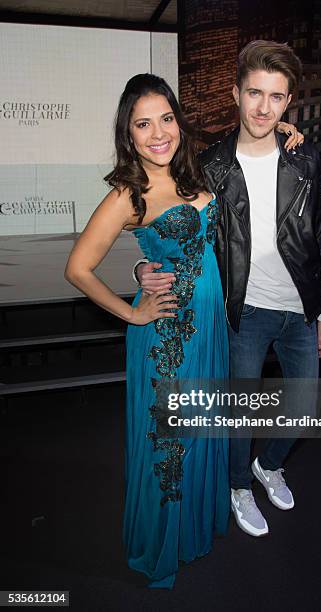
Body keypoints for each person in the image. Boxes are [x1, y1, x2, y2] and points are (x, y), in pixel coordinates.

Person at [136, 40, 321, 539]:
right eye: (254, 93)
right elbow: (170, 223)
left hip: (301, 312)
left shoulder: (305, 158)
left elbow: (320, 241)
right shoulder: (209, 167)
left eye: (276, 96)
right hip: (244, 312)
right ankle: (239, 485)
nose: (264, 107)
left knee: (302, 413)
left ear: (288, 102)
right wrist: (143, 266)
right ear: (235, 94)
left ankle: (269, 466)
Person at [64, 73, 232, 589]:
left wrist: (286, 126)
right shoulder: (127, 193)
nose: (158, 132)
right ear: (128, 133)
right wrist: (133, 311)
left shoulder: (194, 173)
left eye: (166, 118)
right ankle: (163, 542)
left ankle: (191, 530)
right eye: (143, 123)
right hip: (168, 338)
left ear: (178, 121)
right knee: (171, 443)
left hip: (209, 329)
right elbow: (78, 268)